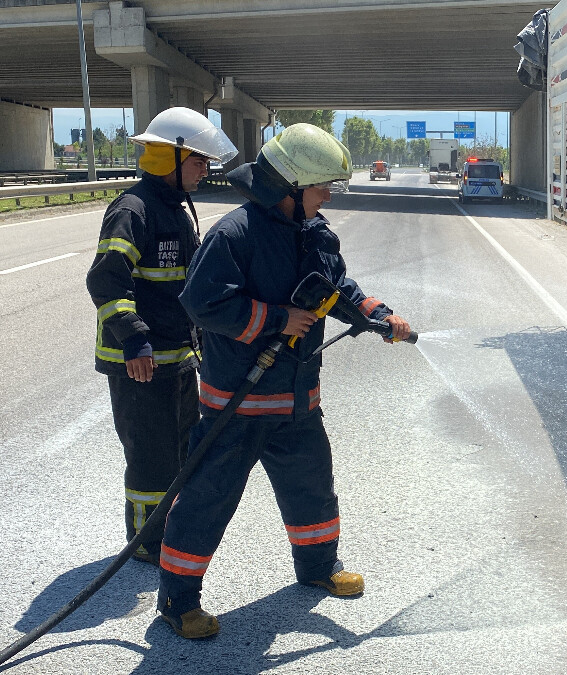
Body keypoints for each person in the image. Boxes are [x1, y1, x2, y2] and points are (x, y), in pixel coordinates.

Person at [157, 123, 411, 639]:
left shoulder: (314, 232)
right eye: (322, 188)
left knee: (312, 489)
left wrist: (378, 315)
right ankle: (179, 600)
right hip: (236, 405)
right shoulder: (234, 235)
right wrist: (276, 320)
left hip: (297, 403)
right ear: (290, 188)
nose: (329, 197)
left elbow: (335, 287)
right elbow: (201, 304)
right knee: (207, 501)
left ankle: (318, 568)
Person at [86, 107, 238, 565]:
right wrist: (134, 339)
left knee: (179, 447)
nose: (204, 170)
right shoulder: (133, 210)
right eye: (197, 161)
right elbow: (107, 280)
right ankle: (148, 542)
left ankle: (170, 529)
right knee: (149, 455)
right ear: (167, 158)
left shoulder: (173, 209)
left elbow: (183, 284)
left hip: (175, 357)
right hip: (138, 361)